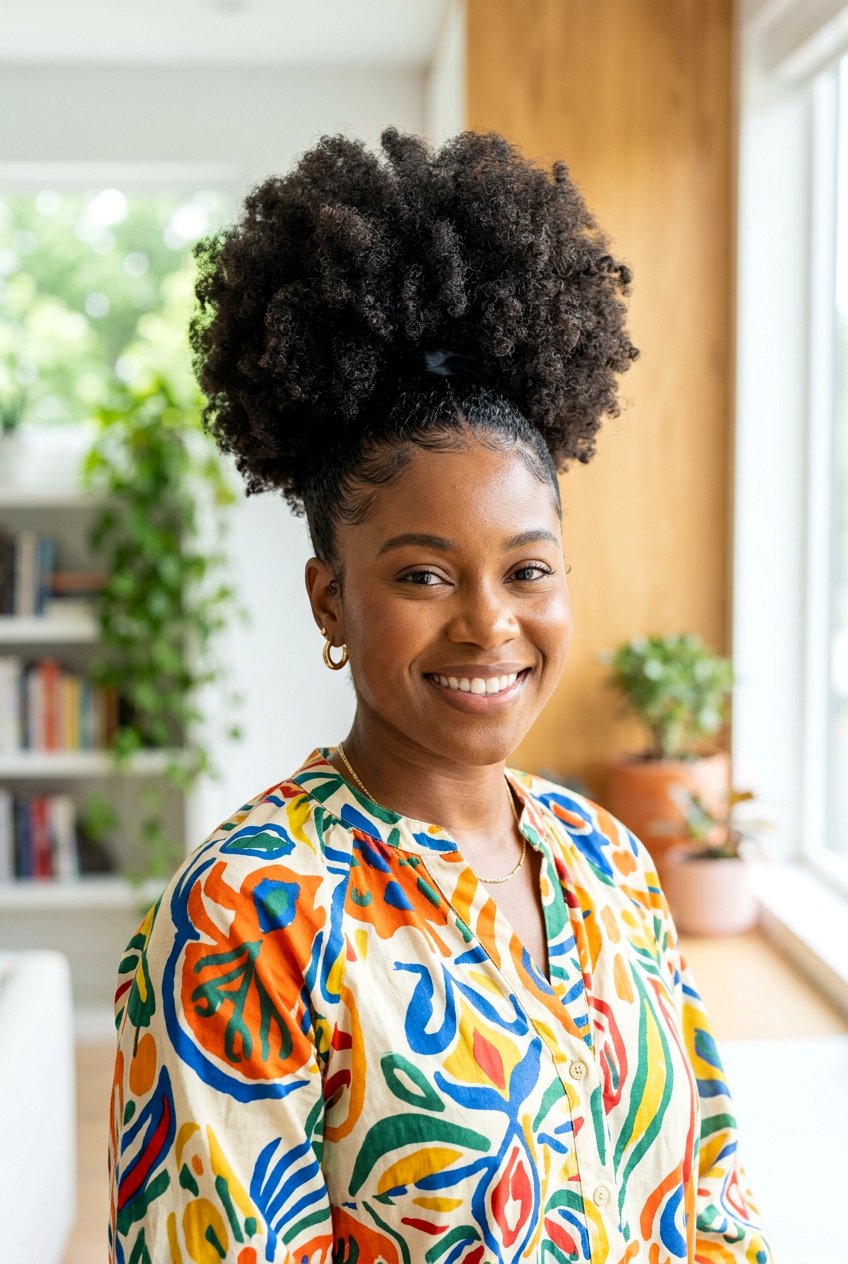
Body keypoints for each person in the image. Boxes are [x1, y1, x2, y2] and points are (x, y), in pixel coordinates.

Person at [107, 127, 772, 1264]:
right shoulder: (248, 914)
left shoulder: (608, 863)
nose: (486, 622)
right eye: (421, 574)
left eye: (527, 569)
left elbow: (712, 1201)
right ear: (330, 601)